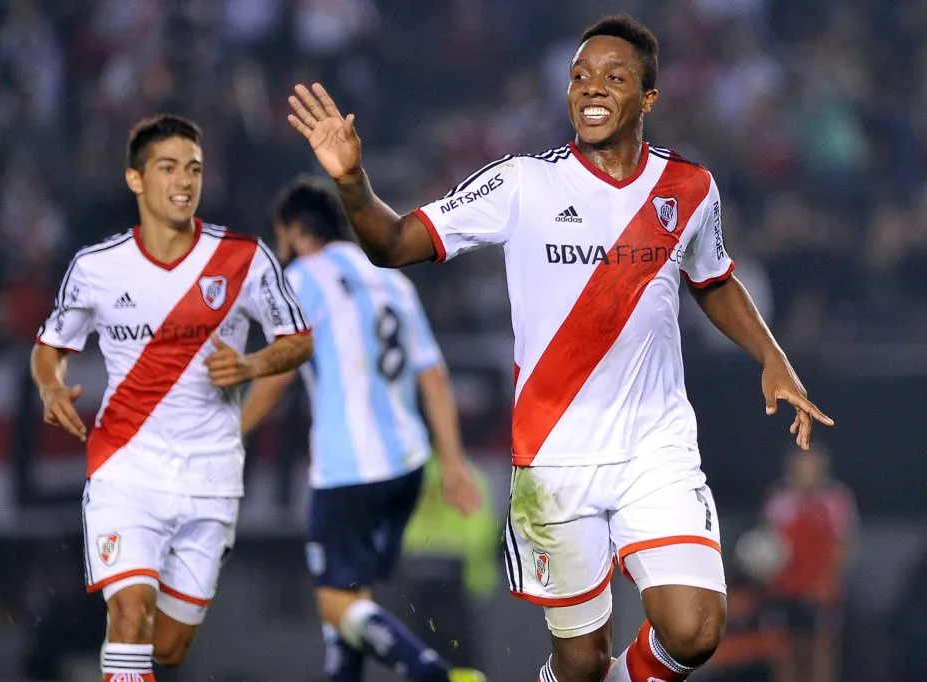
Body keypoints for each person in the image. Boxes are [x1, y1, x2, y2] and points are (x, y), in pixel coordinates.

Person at [284, 13, 835, 682]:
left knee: (694, 630)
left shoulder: (689, 190)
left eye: (613, 76)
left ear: (648, 98)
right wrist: (351, 181)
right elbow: (394, 243)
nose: (591, 88)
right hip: (553, 461)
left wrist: (772, 356)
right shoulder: (523, 183)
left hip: (653, 448)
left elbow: (712, 280)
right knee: (581, 661)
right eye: (579, 76)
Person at [30, 114, 313, 682]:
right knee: (129, 614)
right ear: (136, 180)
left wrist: (253, 363)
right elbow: (49, 346)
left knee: (171, 644)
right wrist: (51, 384)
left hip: (210, 473)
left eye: (194, 169)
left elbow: (300, 340)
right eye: (167, 168)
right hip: (125, 466)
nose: (184, 181)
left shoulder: (243, 260)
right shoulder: (97, 269)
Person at [238, 176, 487, 682]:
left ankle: (434, 673)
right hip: (409, 466)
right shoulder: (391, 280)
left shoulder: (303, 278)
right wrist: (454, 465)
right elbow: (435, 378)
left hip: (349, 469)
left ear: (290, 232)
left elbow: (282, 370)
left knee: (334, 604)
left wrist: (230, 434)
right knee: (352, 596)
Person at [763, 445, 857, 682]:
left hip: (821, 593)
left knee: (821, 653)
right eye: (801, 466)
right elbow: (769, 546)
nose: (807, 471)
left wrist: (828, 582)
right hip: (785, 590)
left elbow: (844, 545)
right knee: (785, 654)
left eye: (812, 466)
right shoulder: (780, 500)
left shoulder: (836, 499)